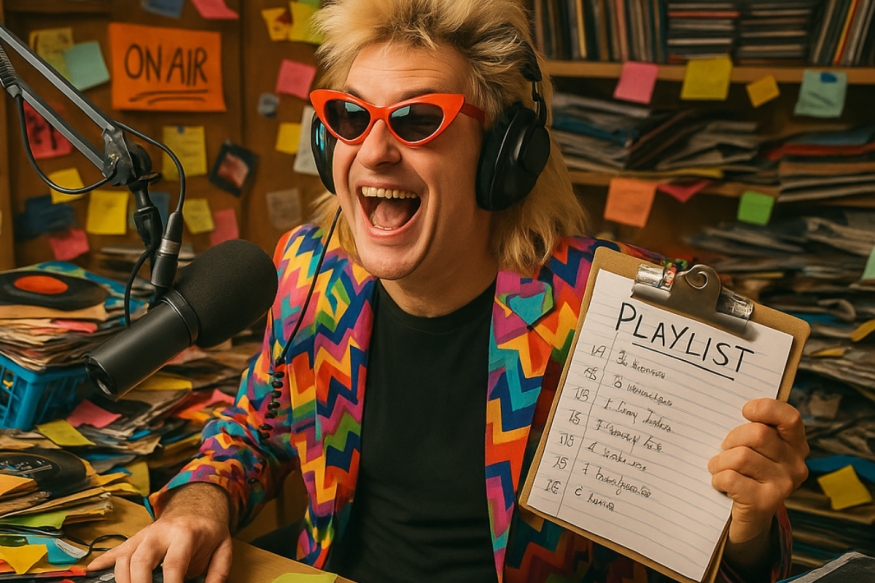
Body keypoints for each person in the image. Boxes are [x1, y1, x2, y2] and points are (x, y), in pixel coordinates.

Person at [87, 0, 810, 582]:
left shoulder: (612, 307)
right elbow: (254, 427)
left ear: (502, 156)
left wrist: (748, 534)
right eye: (350, 117)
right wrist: (199, 505)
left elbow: (720, 550)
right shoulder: (311, 271)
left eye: (417, 120)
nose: (374, 151)